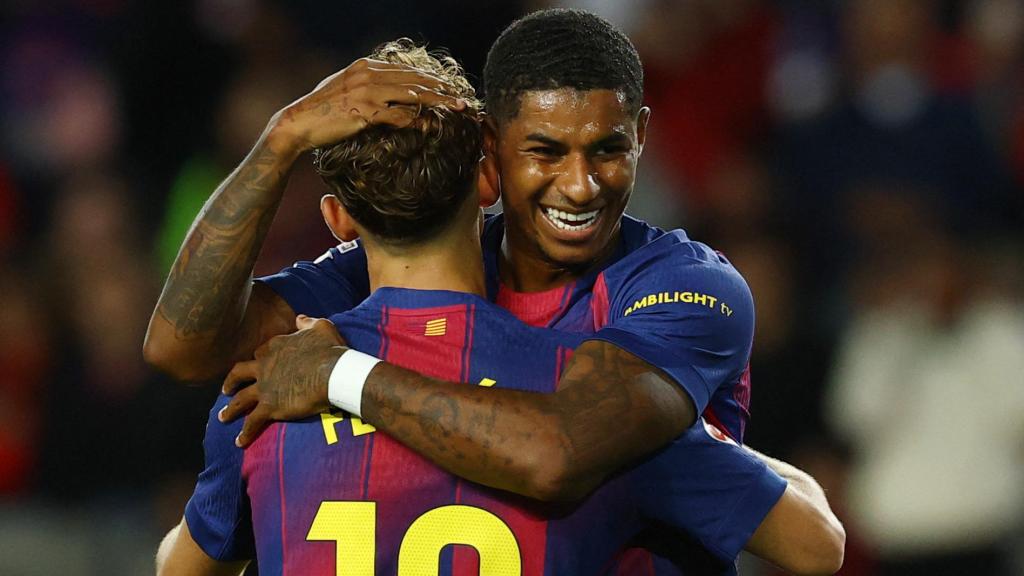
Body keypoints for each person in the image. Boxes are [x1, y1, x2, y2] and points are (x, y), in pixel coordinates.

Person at [145, 10, 843, 574]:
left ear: (642, 136)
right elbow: (814, 542)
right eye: (545, 151)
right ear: (490, 156)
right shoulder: (576, 383)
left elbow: (559, 452)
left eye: (607, 149)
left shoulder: (680, 285)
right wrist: (281, 135)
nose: (579, 186)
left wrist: (339, 374)